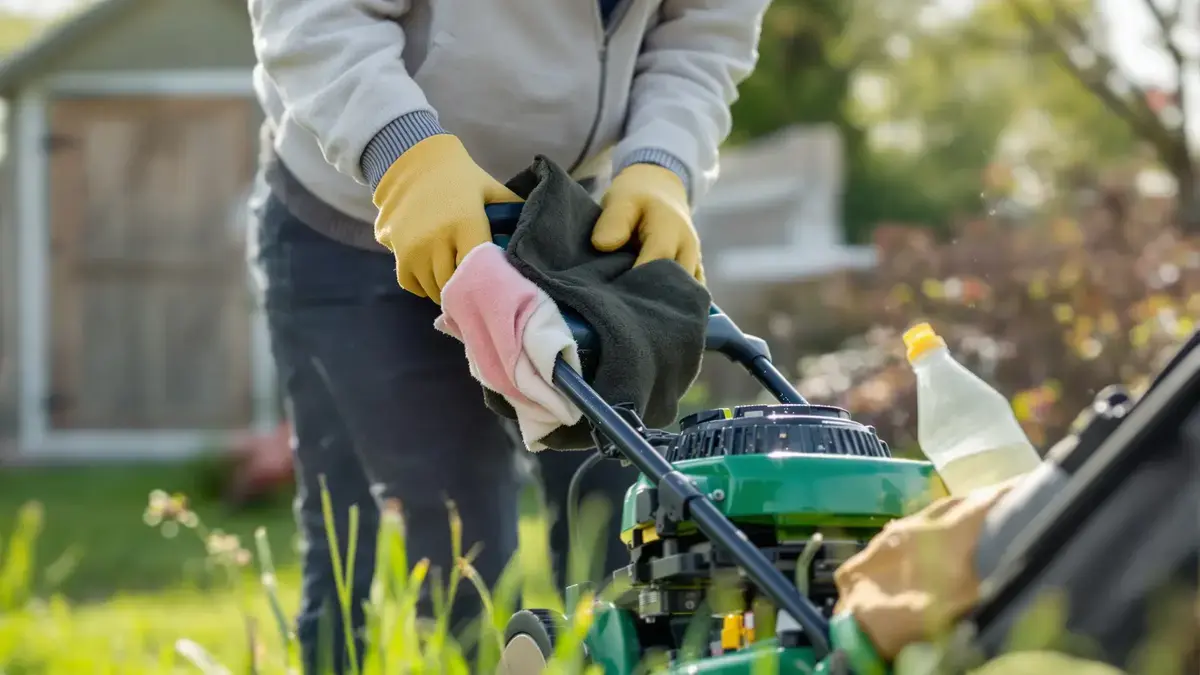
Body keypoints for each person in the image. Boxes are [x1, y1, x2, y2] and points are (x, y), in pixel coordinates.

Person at [245, 0, 768, 672]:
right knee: (432, 548)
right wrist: (404, 151)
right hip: (358, 222)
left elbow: (702, 33)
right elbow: (315, 11)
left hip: (561, 218)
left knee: (627, 528)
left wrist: (662, 161)